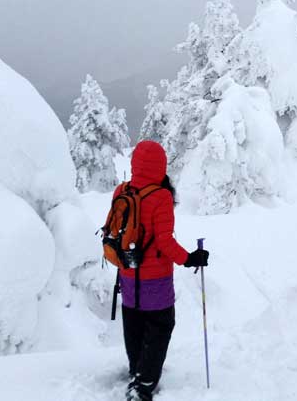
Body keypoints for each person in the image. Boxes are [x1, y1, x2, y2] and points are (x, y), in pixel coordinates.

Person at [113, 140, 209, 401]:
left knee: (134, 325)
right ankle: (143, 385)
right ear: (161, 165)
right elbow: (165, 242)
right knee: (160, 326)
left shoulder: (122, 190)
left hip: (128, 274)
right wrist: (190, 258)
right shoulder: (161, 196)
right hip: (155, 279)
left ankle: (137, 371)